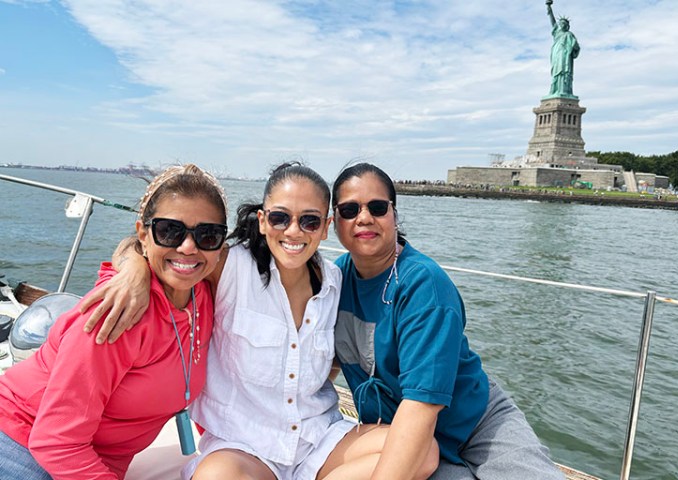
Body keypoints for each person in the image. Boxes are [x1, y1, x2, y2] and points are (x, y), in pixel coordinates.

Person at [80, 162, 439, 480]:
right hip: (244, 445)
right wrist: (132, 269)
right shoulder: (229, 267)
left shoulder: (335, 281)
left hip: (319, 438)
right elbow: (164, 251)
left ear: (326, 227)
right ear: (264, 221)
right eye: (281, 217)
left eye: (309, 220)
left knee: (423, 451)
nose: (294, 231)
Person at [330, 163, 565, 480]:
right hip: (399, 433)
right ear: (335, 222)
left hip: (476, 425)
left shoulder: (423, 285)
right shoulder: (333, 281)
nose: (364, 217)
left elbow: (420, 407)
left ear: (394, 215)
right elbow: (323, 362)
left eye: (377, 207)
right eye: (349, 209)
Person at [0, 164, 228, 479]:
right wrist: (133, 265)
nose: (189, 247)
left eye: (208, 235)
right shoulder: (118, 313)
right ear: (144, 235)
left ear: (221, 245)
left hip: (96, 460)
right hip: (21, 444)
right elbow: (56, 441)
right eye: (169, 231)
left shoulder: (204, 296)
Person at [546, 0, 580, 98]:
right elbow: (552, 22)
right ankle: (555, 91)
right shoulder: (557, 32)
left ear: (567, 26)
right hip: (557, 54)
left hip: (565, 56)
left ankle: (565, 91)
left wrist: (573, 47)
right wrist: (549, 8)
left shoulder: (569, 35)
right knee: (556, 73)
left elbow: (576, 47)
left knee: (565, 72)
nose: (562, 25)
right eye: (561, 23)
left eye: (564, 23)